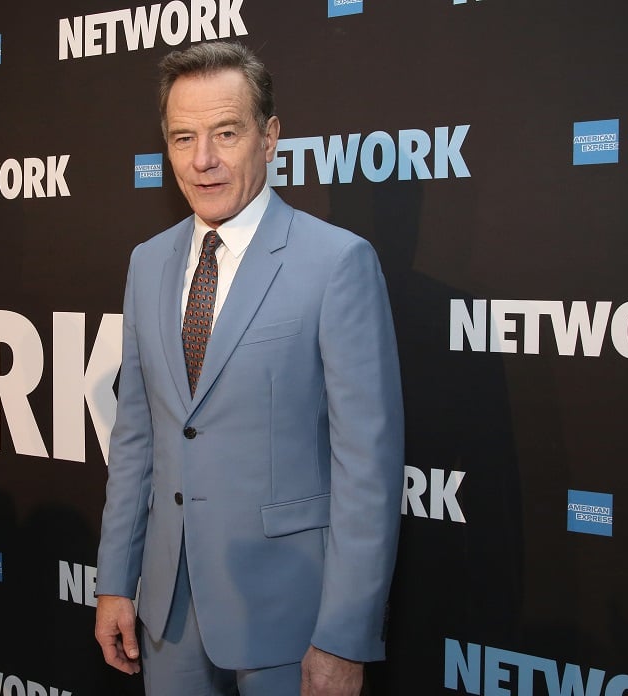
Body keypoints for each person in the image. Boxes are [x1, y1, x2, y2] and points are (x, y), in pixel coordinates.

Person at [94, 41, 404, 696]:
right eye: (183, 138)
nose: (202, 159)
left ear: (269, 137)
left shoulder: (337, 263)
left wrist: (344, 635)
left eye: (226, 133)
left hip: (291, 621)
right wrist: (116, 580)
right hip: (169, 617)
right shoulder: (146, 263)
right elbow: (137, 438)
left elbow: (367, 469)